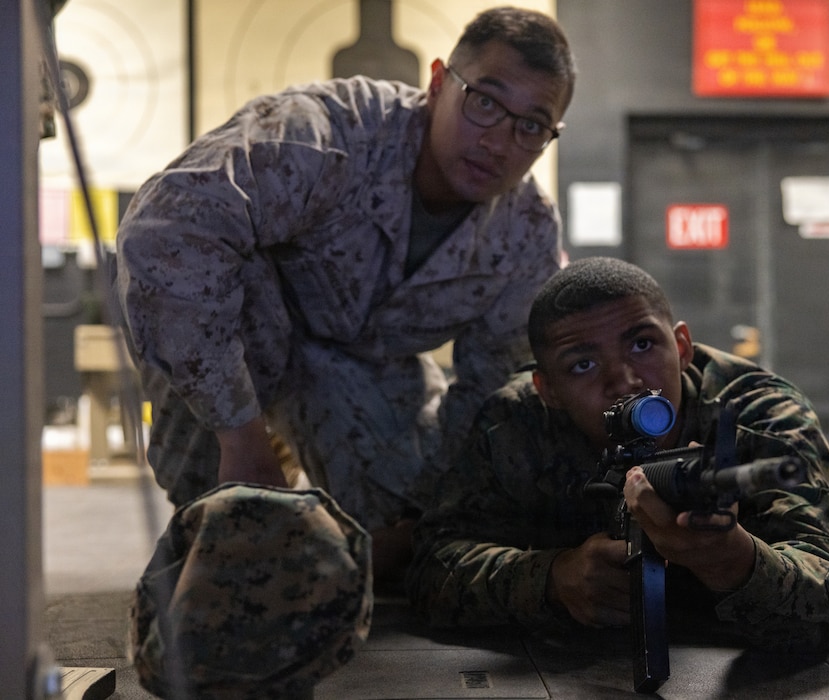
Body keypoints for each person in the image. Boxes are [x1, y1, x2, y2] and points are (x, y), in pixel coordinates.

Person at [115, 6, 576, 586]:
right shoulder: (325, 134)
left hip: (360, 366)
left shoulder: (525, 233)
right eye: (485, 101)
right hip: (243, 339)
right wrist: (241, 437)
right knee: (229, 538)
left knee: (406, 522)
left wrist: (433, 517)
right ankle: (224, 525)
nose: (501, 141)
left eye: (532, 126)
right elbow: (163, 231)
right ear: (437, 83)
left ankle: (327, 552)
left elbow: (488, 391)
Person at [406, 257, 829, 654]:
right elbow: (430, 569)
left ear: (681, 348)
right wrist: (552, 580)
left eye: (642, 345)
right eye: (583, 365)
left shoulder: (758, 414)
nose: (624, 380)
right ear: (549, 390)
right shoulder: (517, 422)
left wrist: (732, 560)